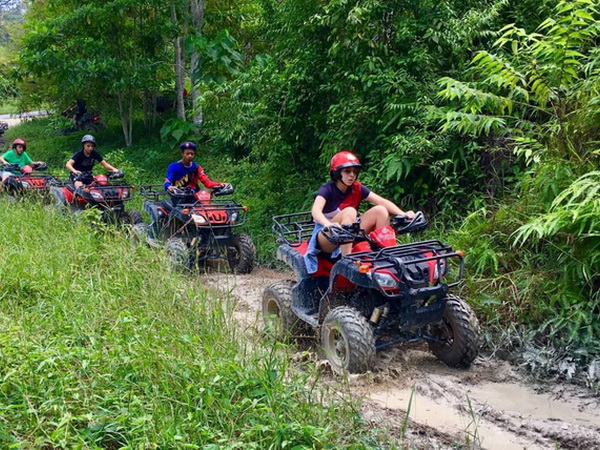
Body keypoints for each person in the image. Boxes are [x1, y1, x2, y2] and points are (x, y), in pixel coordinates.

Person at [305, 150, 415, 274]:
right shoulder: (327, 189)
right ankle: (346, 260)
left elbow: (381, 201)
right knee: (350, 211)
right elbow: (315, 211)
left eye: (354, 171)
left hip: (350, 231)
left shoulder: (357, 188)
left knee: (381, 210)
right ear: (337, 173)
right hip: (326, 236)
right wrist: (328, 224)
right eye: (347, 171)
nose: (351, 175)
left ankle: (386, 256)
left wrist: (403, 214)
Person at [145, 141, 225, 244]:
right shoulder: (174, 166)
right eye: (187, 153)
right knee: (163, 215)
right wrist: (169, 187)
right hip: (177, 199)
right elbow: (168, 181)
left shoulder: (196, 168)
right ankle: (154, 239)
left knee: (206, 215)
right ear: (182, 154)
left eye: (192, 153)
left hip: (195, 199)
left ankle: (207, 237)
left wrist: (220, 185)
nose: (190, 156)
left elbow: (207, 183)